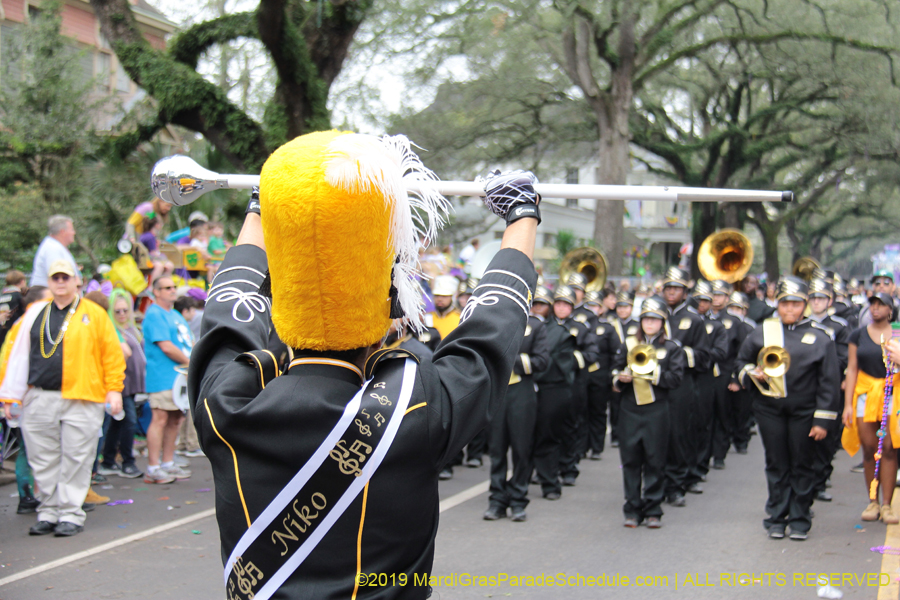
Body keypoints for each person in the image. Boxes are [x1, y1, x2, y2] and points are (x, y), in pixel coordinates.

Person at [188, 131, 539, 599]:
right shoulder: (413, 407)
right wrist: (521, 215)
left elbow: (230, 309)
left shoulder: (224, 403)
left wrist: (263, 210)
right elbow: (492, 329)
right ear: (388, 305)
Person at [0, 260, 124, 537]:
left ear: (76, 280)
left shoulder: (94, 313)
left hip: (82, 396)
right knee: (43, 459)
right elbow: (12, 352)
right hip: (39, 396)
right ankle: (49, 511)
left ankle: (70, 513)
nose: (60, 282)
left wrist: (113, 389)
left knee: (76, 457)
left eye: (65, 277)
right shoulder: (34, 312)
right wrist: (10, 395)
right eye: (55, 277)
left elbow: (111, 354)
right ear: (49, 281)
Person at [737, 276, 839, 541]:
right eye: (784, 304)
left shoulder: (820, 337)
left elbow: (829, 382)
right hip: (769, 409)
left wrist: (822, 420)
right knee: (776, 462)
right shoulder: (762, 331)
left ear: (804, 305)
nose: (789, 310)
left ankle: (800, 519)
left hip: (805, 412)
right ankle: (776, 517)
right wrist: (752, 373)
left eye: (795, 304)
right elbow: (741, 362)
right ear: (777, 304)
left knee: (802, 463)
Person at [612, 296, 685, 528]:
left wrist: (651, 375)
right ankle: (632, 509)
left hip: (657, 410)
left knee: (655, 459)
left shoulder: (671, 348)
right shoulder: (628, 344)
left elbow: (676, 379)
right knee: (631, 459)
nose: (650, 324)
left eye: (655, 320)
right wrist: (620, 378)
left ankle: (653, 508)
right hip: (629, 409)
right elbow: (613, 372)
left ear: (662, 322)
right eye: (646, 319)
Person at [484, 300, 549, 522]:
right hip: (498, 392)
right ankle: (497, 500)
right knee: (496, 450)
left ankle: (518, 499)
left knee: (522, 449)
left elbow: (542, 361)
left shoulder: (536, 326)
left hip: (522, 391)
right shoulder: (495, 324)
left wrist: (512, 358)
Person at [842, 292, 898, 524]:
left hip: (893, 393)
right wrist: (847, 405)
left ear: (890, 310)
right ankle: (872, 500)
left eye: (881, 305)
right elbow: (852, 369)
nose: (876, 309)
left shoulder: (897, 333)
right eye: (873, 305)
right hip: (865, 394)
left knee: (889, 448)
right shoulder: (858, 334)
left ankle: (887, 504)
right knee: (869, 448)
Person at [661, 266, 710, 506]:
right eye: (668, 288)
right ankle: (656, 483)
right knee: (656, 434)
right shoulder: (654, 314)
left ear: (685, 290)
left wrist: (676, 354)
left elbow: (703, 356)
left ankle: (676, 484)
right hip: (655, 382)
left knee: (678, 434)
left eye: (676, 288)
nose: (671, 292)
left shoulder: (693, 319)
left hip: (682, 384)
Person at [0, 285, 50, 514]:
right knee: (30, 448)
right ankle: (29, 495)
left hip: (20, 394)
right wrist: (11, 396)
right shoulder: (28, 325)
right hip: (23, 394)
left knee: (29, 447)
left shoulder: (25, 323)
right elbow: (13, 362)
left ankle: (30, 495)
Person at [142, 276, 193, 484]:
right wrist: (191, 363)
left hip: (179, 377)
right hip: (163, 376)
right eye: (167, 288)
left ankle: (168, 463)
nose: (172, 290)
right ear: (156, 292)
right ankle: (153, 467)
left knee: (175, 420)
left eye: (174, 287)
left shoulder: (175, 315)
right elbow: (166, 346)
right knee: (160, 418)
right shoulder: (154, 314)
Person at [806, 278, 850, 503]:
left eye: (821, 298)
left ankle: (821, 482)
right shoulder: (802, 323)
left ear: (829, 300)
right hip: (805, 387)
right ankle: (807, 484)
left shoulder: (839, 326)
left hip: (829, 386)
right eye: (813, 298)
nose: (816, 302)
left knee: (827, 436)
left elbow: (843, 358)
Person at [532, 286, 577, 500]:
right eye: (534, 304)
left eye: (542, 304)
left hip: (552, 389)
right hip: (524, 390)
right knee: (521, 440)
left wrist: (530, 370)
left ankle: (550, 484)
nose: (537, 309)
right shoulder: (520, 327)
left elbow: (560, 366)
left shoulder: (562, 333)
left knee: (547, 438)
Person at [97, 289, 145, 479]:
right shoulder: (111, 330)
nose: (123, 314)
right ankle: (127, 462)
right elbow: (123, 353)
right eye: (117, 311)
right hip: (118, 383)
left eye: (126, 310)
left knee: (118, 423)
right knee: (129, 422)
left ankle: (108, 460)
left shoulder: (131, 329)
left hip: (131, 382)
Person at [725, 292, 757, 455]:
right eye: (731, 307)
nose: (734, 311)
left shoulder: (750, 327)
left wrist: (740, 378)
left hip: (744, 373)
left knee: (742, 410)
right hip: (726, 373)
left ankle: (742, 439)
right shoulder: (724, 325)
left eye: (738, 308)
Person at [173, 295, 203, 458]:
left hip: (181, 368)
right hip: (183, 368)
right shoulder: (178, 321)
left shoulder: (177, 320)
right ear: (186, 311)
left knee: (183, 409)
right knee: (190, 406)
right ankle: (191, 443)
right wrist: (190, 364)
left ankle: (184, 443)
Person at [30, 215, 79, 287]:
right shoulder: (52, 249)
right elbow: (58, 278)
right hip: (49, 295)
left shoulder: (56, 246)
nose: (74, 233)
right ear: (62, 232)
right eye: (72, 230)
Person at [0, 270, 27, 344]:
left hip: (2, 333)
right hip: (14, 335)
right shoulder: (19, 296)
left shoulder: (2, 295)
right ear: (22, 281)